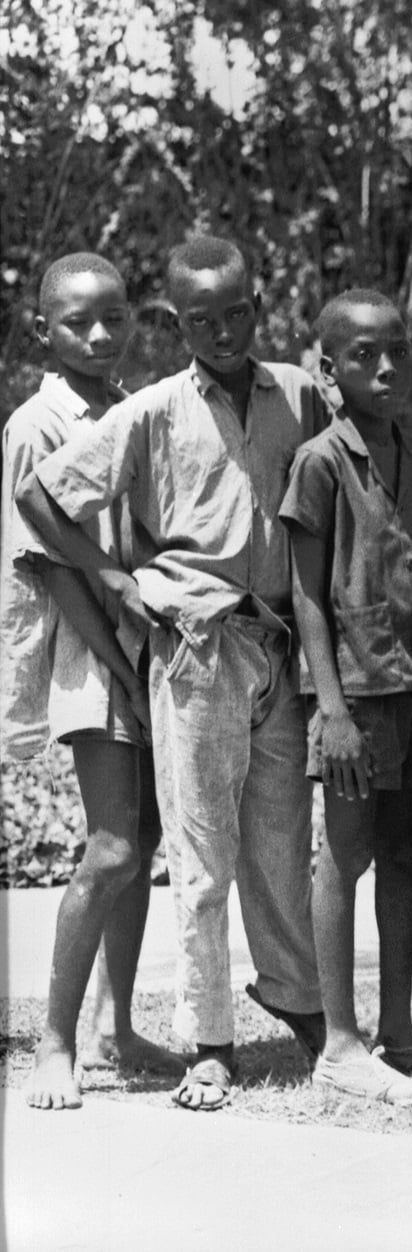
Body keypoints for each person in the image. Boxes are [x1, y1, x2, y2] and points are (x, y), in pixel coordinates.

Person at [20, 235, 328, 1112]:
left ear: (259, 305)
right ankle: (208, 1042)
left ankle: (299, 1004)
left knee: (276, 845)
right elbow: (40, 501)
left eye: (238, 313)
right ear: (177, 323)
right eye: (201, 320)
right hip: (181, 647)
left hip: (272, 646)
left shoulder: (293, 394)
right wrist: (122, 585)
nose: (224, 332)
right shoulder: (150, 408)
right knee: (188, 856)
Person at [282, 290, 412, 1102]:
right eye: (364, 355)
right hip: (355, 697)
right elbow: (304, 597)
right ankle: (340, 1043)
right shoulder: (321, 462)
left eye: (396, 349)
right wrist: (330, 708)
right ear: (328, 369)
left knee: (403, 853)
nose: (386, 366)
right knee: (348, 853)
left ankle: (398, 1032)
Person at [5, 253, 184, 1109]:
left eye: (115, 317)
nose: (103, 335)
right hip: (90, 656)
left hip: (140, 653)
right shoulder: (37, 423)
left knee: (142, 844)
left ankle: (116, 1028)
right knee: (111, 845)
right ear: (43, 329)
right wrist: (120, 665)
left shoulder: (131, 409)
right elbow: (51, 570)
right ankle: (54, 1044)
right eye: (80, 322)